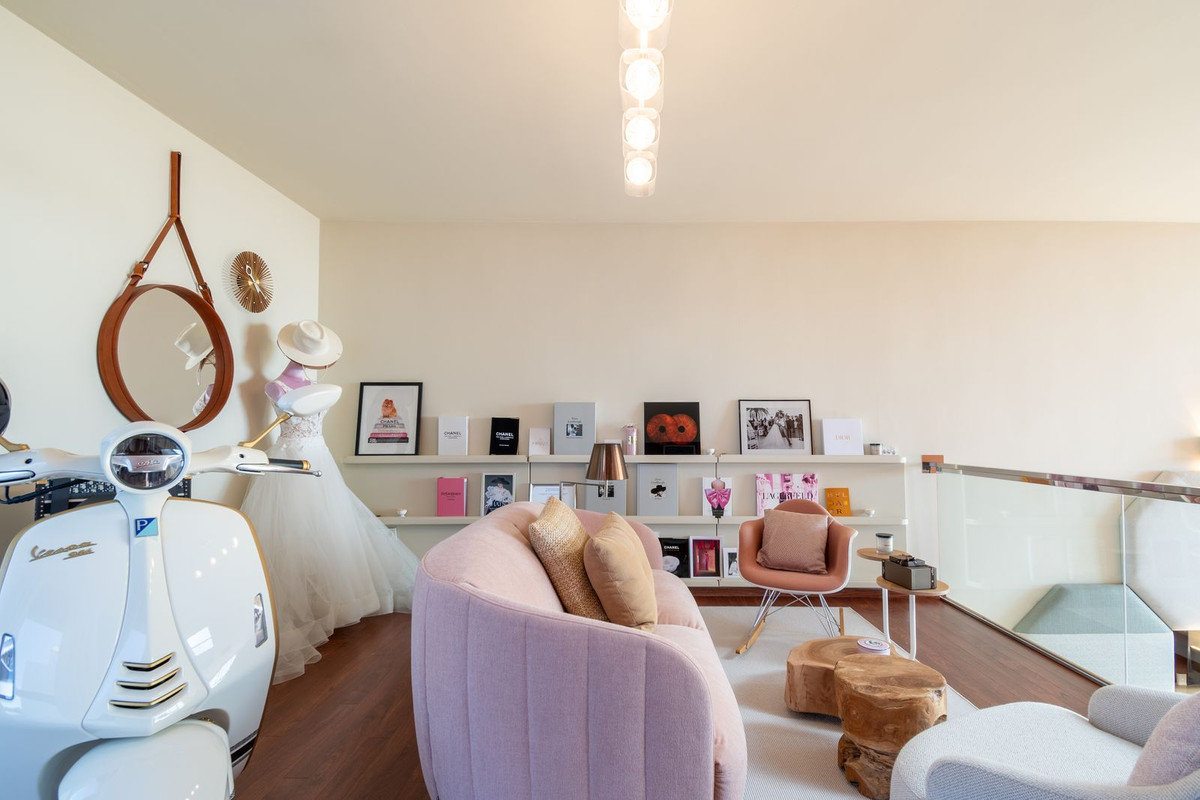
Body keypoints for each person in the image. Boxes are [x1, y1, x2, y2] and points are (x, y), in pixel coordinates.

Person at [241, 319, 419, 683]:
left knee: (328, 529)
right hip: (292, 460)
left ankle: (331, 606)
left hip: (316, 457)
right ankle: (302, 610)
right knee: (292, 533)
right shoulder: (276, 386)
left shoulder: (313, 386)